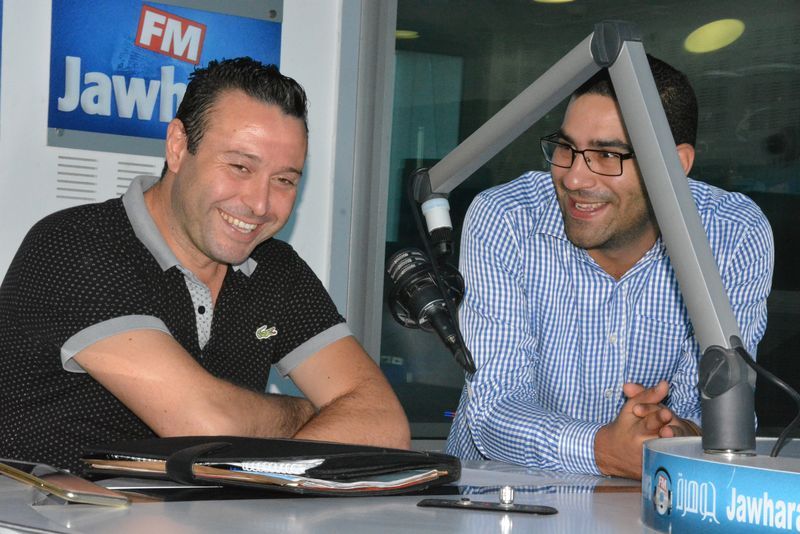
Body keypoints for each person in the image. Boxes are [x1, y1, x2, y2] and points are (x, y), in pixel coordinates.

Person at [0, 57, 410, 474]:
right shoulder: (76, 246)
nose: (260, 204)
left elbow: (385, 424)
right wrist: (305, 412)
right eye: (240, 167)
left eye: (284, 180)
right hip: (59, 508)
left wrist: (268, 472)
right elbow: (205, 426)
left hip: (210, 508)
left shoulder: (275, 268)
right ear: (178, 146)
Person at [445, 55, 773, 479]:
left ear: (675, 165)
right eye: (566, 148)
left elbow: (720, 407)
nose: (574, 178)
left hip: (649, 500)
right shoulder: (507, 218)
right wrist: (604, 449)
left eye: (606, 155)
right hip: (497, 495)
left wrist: (678, 433)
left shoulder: (733, 234)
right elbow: (494, 410)